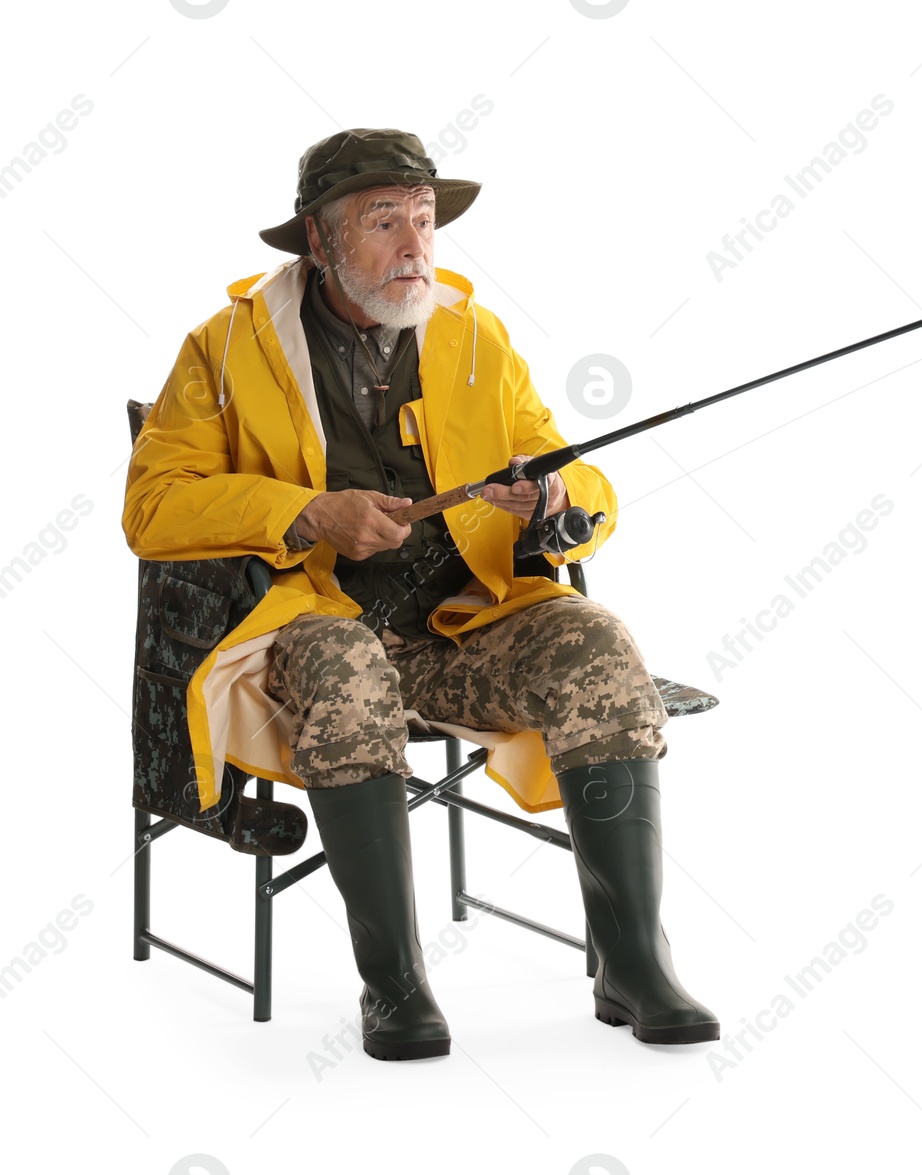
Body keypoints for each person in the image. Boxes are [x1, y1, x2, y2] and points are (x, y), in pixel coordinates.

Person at [122, 128, 718, 1060]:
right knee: (345, 659)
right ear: (318, 241)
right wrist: (308, 511)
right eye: (383, 220)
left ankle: (634, 961)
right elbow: (152, 509)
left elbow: (583, 484)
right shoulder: (224, 348)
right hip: (304, 633)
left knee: (596, 642)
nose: (415, 245)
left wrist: (553, 499)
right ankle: (394, 982)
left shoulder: (474, 335)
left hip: (459, 628)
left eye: (426, 218)